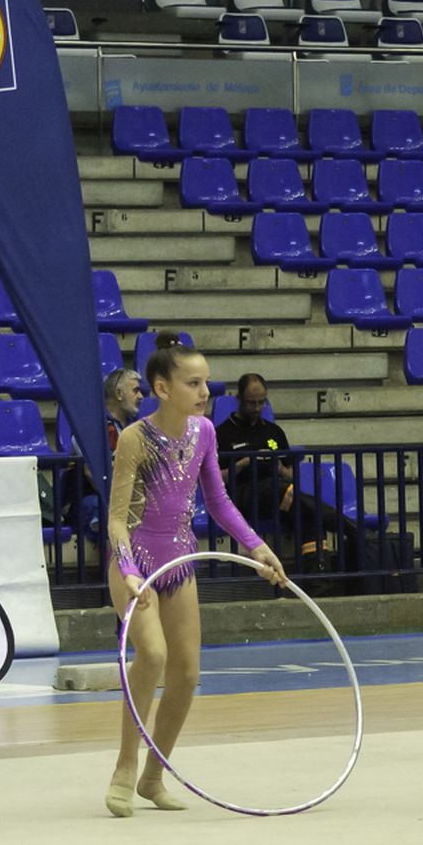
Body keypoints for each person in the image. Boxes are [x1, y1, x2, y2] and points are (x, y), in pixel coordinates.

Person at [105, 334, 286, 817]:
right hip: (136, 566)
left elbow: (219, 502)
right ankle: (124, 766)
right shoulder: (135, 439)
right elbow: (117, 519)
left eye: (206, 381)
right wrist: (126, 571)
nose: (205, 391)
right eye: (194, 382)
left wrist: (257, 545)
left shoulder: (204, 432)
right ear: (163, 388)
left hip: (179, 563)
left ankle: (152, 775)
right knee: (154, 655)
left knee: (186, 674)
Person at [215, 373, 345, 570]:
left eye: (261, 402)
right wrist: (242, 464)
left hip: (278, 496)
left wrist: (280, 468)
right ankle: (348, 526)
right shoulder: (221, 433)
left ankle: (319, 582)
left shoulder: (274, 431)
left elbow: (293, 475)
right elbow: (214, 479)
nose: (257, 408)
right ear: (239, 399)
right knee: (275, 488)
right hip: (241, 496)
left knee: (308, 517)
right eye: (251, 403)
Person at [70, 368, 144, 539]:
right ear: (118, 394)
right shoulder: (91, 427)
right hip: (95, 496)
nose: (140, 397)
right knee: (103, 508)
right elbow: (91, 473)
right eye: (135, 391)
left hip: (127, 495)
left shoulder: (138, 427)